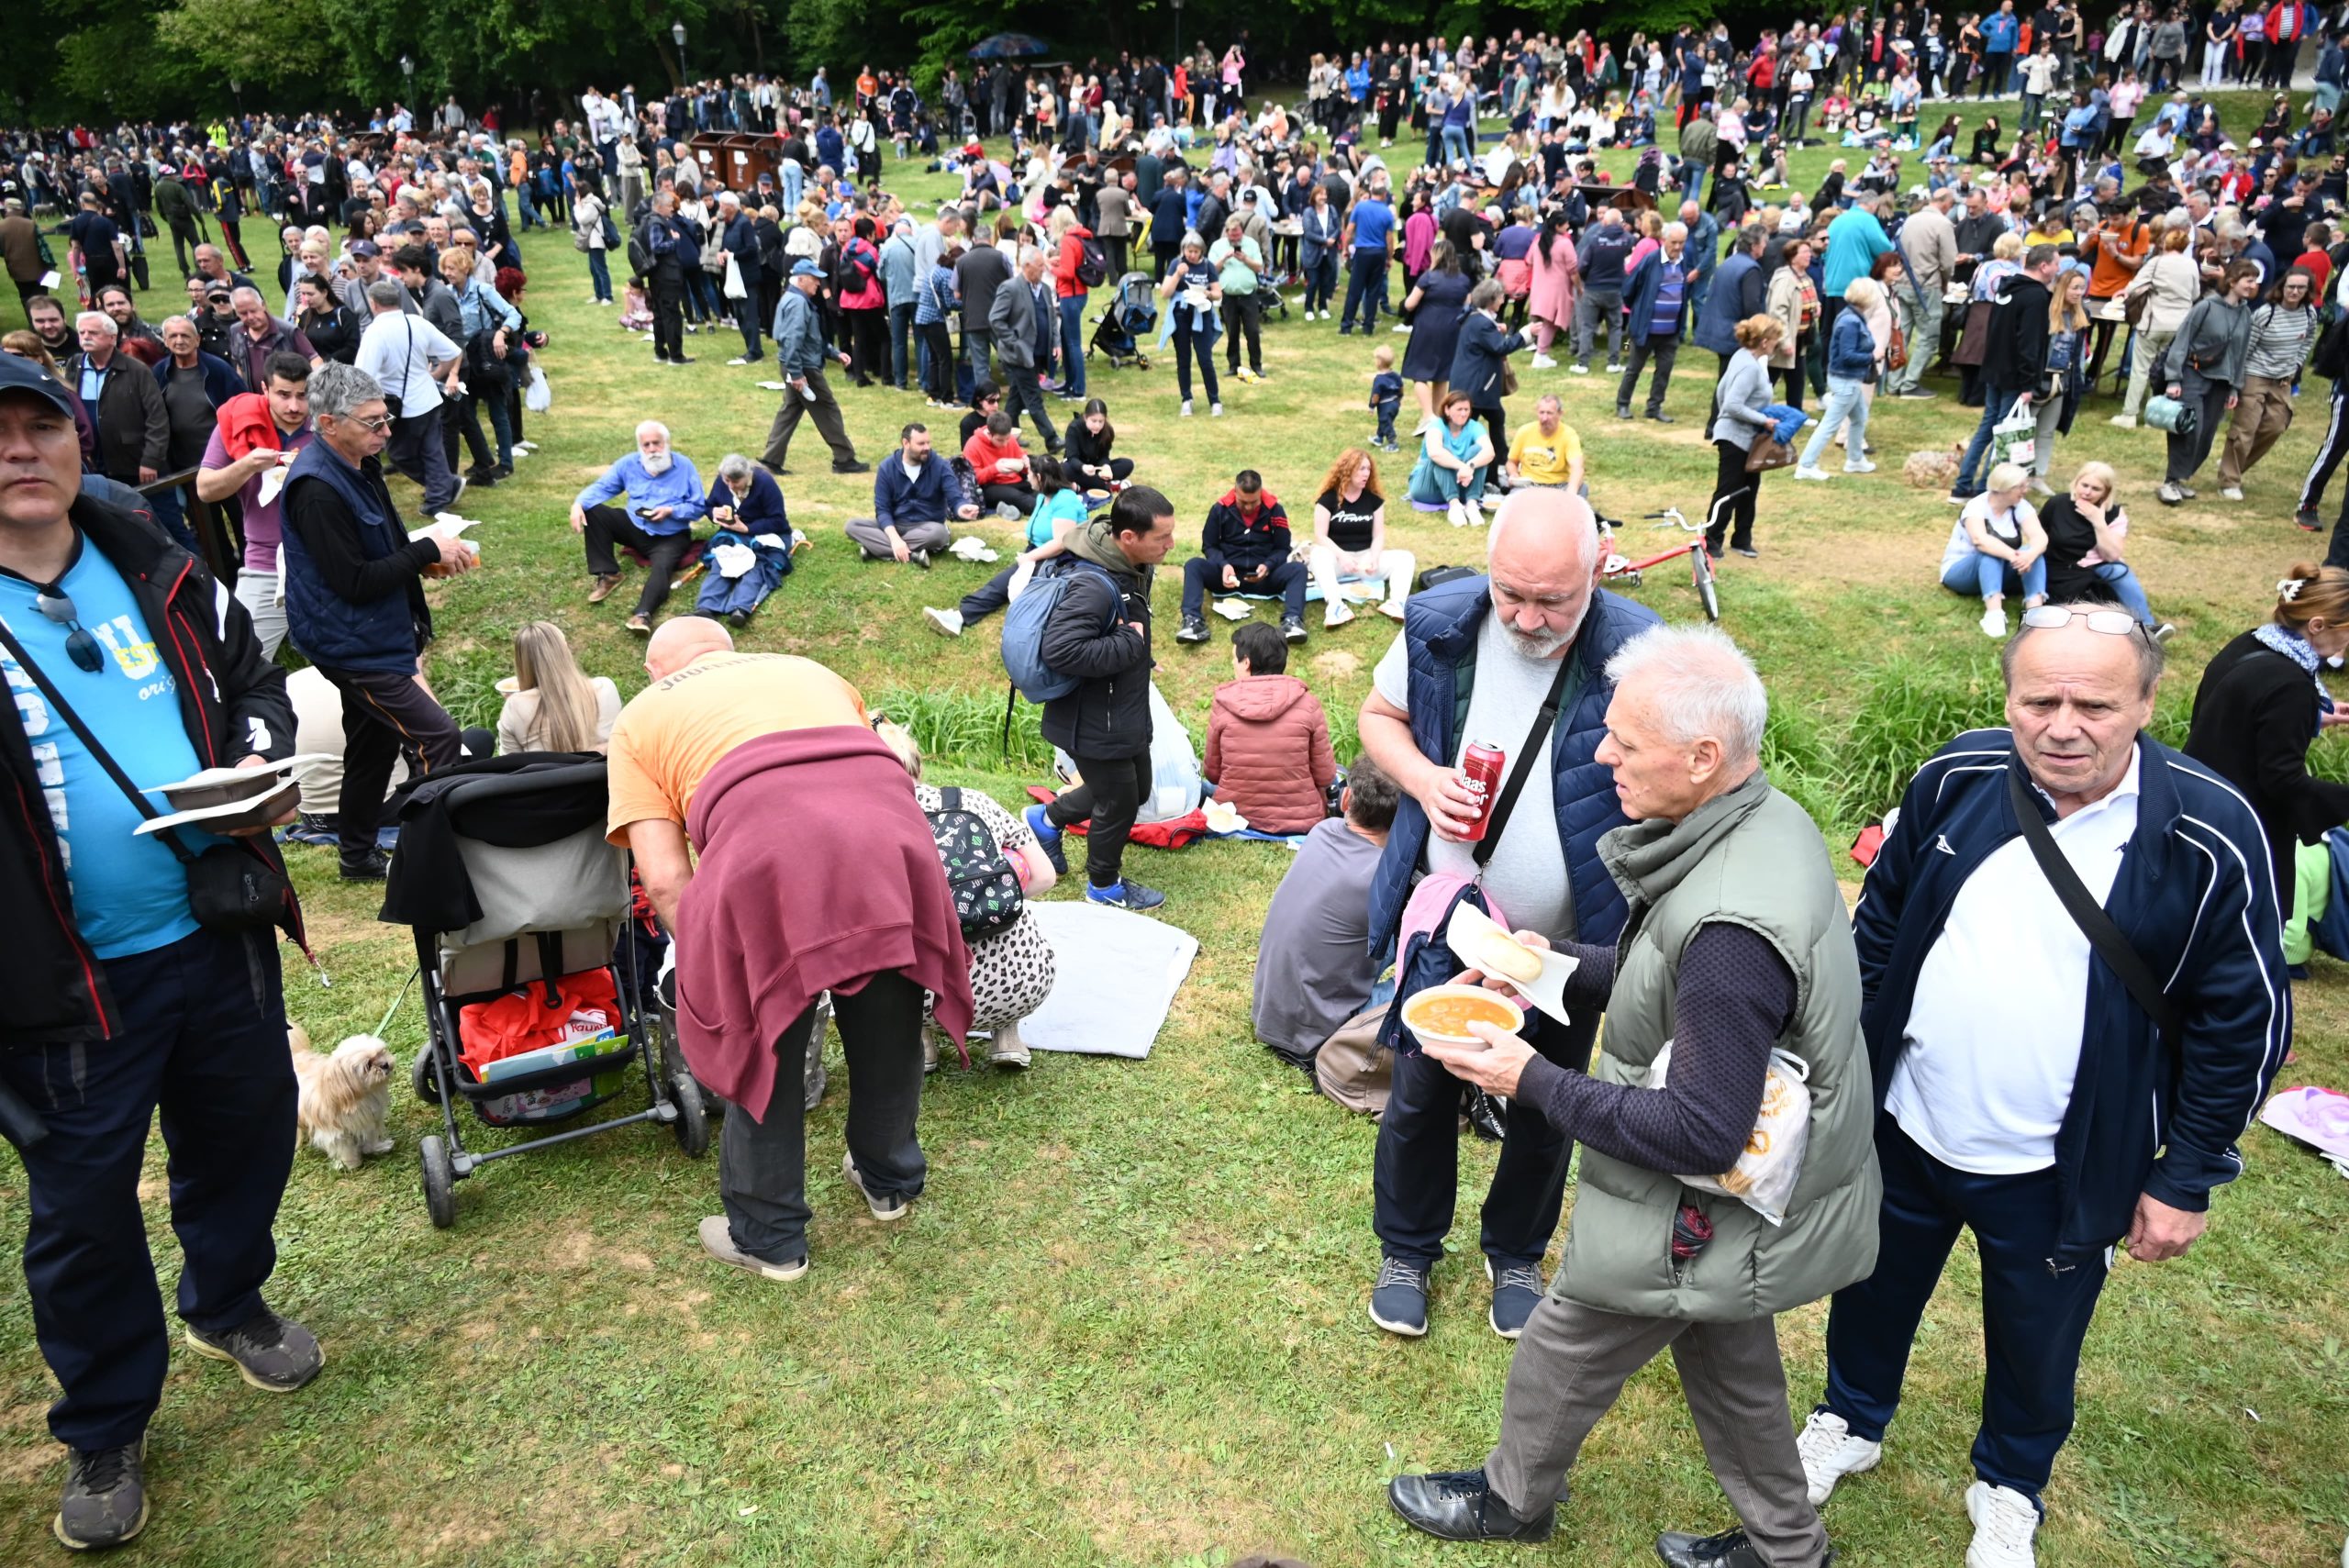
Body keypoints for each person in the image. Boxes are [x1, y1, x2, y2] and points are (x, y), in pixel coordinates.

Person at [1801, 606, 2288, 1568]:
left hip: (2058, 1162)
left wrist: (2185, 1174)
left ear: (2147, 702)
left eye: (2094, 703)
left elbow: (2244, 1020)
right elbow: (1885, 915)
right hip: (1906, 1121)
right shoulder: (1959, 776)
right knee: (1869, 1282)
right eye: (2040, 698)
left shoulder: (2208, 830)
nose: (2062, 724)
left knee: (2036, 1333)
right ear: (2010, 697)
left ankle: (2010, 1484)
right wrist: (1851, 1070)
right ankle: (1849, 1418)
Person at [1387, 624, 1879, 1568]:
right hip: (1764, 1188)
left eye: (1623, 741)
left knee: (1563, 1340)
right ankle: (1790, 1550)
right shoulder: (1761, 820)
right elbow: (1667, 964)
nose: (1601, 752)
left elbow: (1699, 1129)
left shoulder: (1734, 924)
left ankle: (1511, 1499)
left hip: (1705, 1194)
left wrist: (1523, 1075)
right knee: (1727, 1357)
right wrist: (1542, 964)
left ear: (1703, 756)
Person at [0, 352, 317, 1555]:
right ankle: (104, 1420)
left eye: (42, 427)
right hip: (61, 984)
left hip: (215, 930)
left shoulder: (159, 562)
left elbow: (254, 686)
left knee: (244, 1135)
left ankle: (226, 1300)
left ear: (77, 443)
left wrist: (259, 750)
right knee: (83, 1213)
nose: (22, 452)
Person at [1355, 489, 1663, 1340]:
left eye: (1552, 601)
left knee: (1547, 1099)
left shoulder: (1641, 651)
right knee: (1420, 1089)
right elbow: (1379, 717)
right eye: (1510, 594)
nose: (1526, 619)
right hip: (1455, 918)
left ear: (1597, 568)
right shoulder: (1442, 623)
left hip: (1570, 944)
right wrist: (1422, 780)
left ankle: (1517, 1249)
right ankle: (1408, 1247)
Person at [607, 620, 972, 1283]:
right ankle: (890, 1181)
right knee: (889, 1015)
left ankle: (769, 1238)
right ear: (732, 653)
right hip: (889, 841)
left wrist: (713, 967)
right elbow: (887, 759)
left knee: (763, 1040)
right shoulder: (810, 669)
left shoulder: (641, 716)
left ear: (657, 672)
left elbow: (661, 877)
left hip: (767, 854)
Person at [278, 361, 473, 881]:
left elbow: (379, 548)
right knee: (438, 739)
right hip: (350, 645)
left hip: (372, 632)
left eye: (386, 419)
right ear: (328, 424)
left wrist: (419, 560)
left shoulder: (357, 464)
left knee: (373, 746)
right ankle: (433, 861)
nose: (386, 432)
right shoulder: (316, 488)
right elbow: (353, 581)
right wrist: (425, 549)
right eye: (373, 423)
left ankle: (358, 855)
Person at [1019, 487, 1179, 912]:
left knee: (1137, 788)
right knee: (1119, 801)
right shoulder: (1093, 583)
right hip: (1092, 720)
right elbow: (1062, 650)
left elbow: (1114, 629)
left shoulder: (1128, 565)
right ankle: (1104, 887)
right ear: (1128, 536)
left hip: (1120, 710)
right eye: (1162, 537)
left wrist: (1140, 653)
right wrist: (1131, 646)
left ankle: (1046, 820)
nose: (1171, 545)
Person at [873, 721, 1058, 1072]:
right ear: (915, 760)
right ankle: (1006, 1035)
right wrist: (991, 904)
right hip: (1023, 980)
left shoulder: (870, 825)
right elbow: (1045, 876)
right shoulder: (972, 801)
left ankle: (921, 1040)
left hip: (927, 996)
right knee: (1014, 912)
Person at [2183, 565, 2349, 899]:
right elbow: (2283, 782)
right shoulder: (2292, 686)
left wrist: (2311, 717)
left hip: (2195, 805)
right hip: (2242, 836)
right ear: (2317, 626)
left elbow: (2237, 708)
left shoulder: (2250, 642)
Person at [1252, 755, 1399, 1069]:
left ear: (1346, 798)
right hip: (1322, 1035)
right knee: (1428, 975)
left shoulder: (1323, 830)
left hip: (1269, 1015)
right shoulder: (1383, 878)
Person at [194, 351, 316, 661]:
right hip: (266, 562)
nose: (294, 406)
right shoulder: (237, 423)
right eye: (284, 395)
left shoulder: (326, 423)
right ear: (265, 389)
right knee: (239, 660)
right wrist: (247, 464)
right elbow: (205, 489)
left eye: (302, 396)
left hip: (325, 558)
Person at [921, 454, 1085, 637]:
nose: (1026, 478)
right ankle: (960, 615)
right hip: (1038, 552)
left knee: (1003, 583)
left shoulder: (1065, 501)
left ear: (1039, 477)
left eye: (1029, 474)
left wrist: (1029, 557)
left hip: (1058, 560)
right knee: (1008, 581)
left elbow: (1060, 543)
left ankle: (959, 617)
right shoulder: (1043, 497)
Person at [571, 419, 709, 635]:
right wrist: (579, 503)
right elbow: (603, 487)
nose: (652, 449)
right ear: (640, 447)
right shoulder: (629, 464)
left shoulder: (684, 466)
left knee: (662, 568)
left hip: (670, 535)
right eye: (647, 445)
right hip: (636, 527)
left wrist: (671, 511)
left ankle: (643, 614)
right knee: (593, 511)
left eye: (657, 443)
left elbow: (699, 506)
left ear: (667, 443)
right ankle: (609, 574)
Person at [1204, 620, 1339, 834]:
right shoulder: (1308, 704)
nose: (1233, 663)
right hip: (1301, 820)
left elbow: (1212, 774)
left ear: (1246, 662)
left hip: (1234, 815)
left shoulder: (1222, 704)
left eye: (1233, 658)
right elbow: (1325, 775)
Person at [1952, 243, 2059, 502]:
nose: (2058, 269)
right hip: (2013, 375)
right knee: (2003, 432)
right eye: (2056, 263)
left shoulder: (2007, 288)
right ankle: (1982, 488)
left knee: (1987, 427)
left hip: (1994, 368)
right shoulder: (2035, 297)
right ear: (2044, 266)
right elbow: (2029, 342)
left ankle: (1963, 484)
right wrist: (2028, 383)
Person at [352, 277, 464, 516]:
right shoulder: (416, 322)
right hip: (428, 398)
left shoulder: (376, 332)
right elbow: (453, 351)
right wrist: (435, 373)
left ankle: (442, 490)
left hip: (403, 406)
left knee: (399, 455)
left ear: (373, 303)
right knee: (432, 450)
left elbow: (363, 375)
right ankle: (442, 491)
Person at [2158, 259, 2260, 505]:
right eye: (2249, 280)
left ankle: (2181, 478)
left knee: (2206, 435)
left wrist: (2235, 385)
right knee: (2190, 429)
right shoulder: (2205, 307)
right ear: (2233, 281)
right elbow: (2182, 340)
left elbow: (2241, 352)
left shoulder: (2246, 314)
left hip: (2221, 383)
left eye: (2255, 280)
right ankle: (2170, 481)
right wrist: (2174, 378)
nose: (2253, 285)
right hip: (2193, 374)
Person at [2216, 265, 2321, 502]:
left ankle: (2233, 464)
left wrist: (2296, 366)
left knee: (2276, 426)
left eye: (2300, 288)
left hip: (2282, 379)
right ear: (2282, 287)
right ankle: (2229, 480)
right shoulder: (2266, 313)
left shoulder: (2309, 314)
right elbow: (2246, 348)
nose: (2294, 292)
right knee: (2245, 429)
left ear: (2307, 290)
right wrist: (2237, 382)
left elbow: (2307, 341)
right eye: (2290, 286)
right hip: (2255, 375)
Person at [1174, 469, 1308, 647]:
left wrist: (1268, 565)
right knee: (1194, 565)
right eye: (1243, 502)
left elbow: (1283, 548)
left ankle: (1292, 622)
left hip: (1264, 579)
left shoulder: (1275, 510)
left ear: (1261, 493)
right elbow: (1209, 546)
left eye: (1254, 502)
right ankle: (1192, 622)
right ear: (1235, 492)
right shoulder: (1219, 509)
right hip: (1227, 577)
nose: (1248, 507)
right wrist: (1223, 565)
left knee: (1298, 569)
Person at [2038, 462, 2166, 635]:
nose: (2087, 492)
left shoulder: (2114, 513)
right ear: (2076, 483)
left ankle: (2147, 627)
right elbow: (2037, 536)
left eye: (2096, 489)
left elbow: (2112, 554)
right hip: (2059, 567)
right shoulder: (2057, 504)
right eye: (2084, 485)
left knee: (2121, 572)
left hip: (2095, 566)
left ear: (2106, 492)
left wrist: (2098, 523)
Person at [1309, 446, 1416, 629]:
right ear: (1347, 470)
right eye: (1361, 469)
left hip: (1365, 561)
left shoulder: (1373, 500)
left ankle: (1397, 603)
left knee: (1406, 558)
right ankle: (1336, 606)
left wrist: (1374, 558)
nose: (1366, 474)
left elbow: (1379, 534)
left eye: (1368, 469)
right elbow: (1320, 536)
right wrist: (1342, 556)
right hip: (1337, 560)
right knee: (1317, 554)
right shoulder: (1327, 499)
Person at [1706, 315, 1786, 560]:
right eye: (1775, 339)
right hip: (1734, 439)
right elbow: (1731, 404)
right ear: (1764, 342)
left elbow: (1722, 391)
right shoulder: (1749, 367)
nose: (1777, 344)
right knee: (1729, 491)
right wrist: (1764, 420)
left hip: (1746, 439)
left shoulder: (1741, 357)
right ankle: (1710, 541)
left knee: (1749, 489)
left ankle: (1742, 539)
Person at [1940, 463, 2047, 638]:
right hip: (1960, 572)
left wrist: (2030, 555)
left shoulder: (2021, 506)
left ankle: (2034, 615)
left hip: (2002, 568)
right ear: (2005, 488)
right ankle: (1993, 614)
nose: (2025, 490)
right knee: (1990, 552)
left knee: (2033, 553)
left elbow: (2040, 537)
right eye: (2021, 486)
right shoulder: (1976, 506)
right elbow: (1980, 540)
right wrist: (2013, 556)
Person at [1795, 275, 1886, 480]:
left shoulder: (1851, 316)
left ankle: (1855, 460)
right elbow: (1847, 355)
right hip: (1846, 381)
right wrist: (1872, 356)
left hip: (1848, 380)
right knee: (1830, 424)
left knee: (1859, 418)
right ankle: (1806, 465)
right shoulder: (1851, 322)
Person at [65, 312, 167, 492]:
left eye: (93, 333)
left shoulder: (136, 370)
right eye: (82, 333)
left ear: (112, 338)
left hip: (134, 463)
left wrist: (151, 460)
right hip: (95, 463)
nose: (86, 337)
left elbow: (157, 418)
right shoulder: (75, 365)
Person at [853, 421, 980, 565]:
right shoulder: (887, 468)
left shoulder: (940, 465)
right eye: (921, 444)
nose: (927, 447)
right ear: (906, 443)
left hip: (927, 526)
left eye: (928, 442)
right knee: (853, 526)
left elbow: (955, 496)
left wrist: (961, 508)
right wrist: (895, 539)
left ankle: (875, 548)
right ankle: (913, 554)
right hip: (896, 524)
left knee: (939, 534)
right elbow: (882, 509)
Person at [2112, 226, 2202, 428]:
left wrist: (2126, 291)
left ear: (2165, 243)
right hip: (2179, 325)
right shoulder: (2191, 265)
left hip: (2154, 322)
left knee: (2141, 370)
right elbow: (2195, 294)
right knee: (2164, 370)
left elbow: (2135, 285)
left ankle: (2129, 414)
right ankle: (2155, 416)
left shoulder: (2157, 262)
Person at [696, 453, 797, 627]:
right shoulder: (723, 482)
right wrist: (714, 513)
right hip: (736, 534)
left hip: (768, 534)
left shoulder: (765, 483)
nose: (730, 486)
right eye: (727, 481)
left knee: (758, 564)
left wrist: (747, 528)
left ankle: (740, 608)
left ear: (747, 476)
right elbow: (709, 505)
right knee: (723, 559)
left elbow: (778, 520)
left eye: (735, 482)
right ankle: (707, 607)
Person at [495, 620, 622, 754]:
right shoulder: (605, 687)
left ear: (522, 664)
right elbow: (619, 746)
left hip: (545, 775)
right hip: (603, 773)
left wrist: (514, 708)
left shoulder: (515, 706)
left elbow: (510, 765)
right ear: (565, 650)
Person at [1451, 278, 1528, 493]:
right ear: (1492, 299)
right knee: (1487, 429)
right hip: (1478, 389)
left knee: (1482, 427)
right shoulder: (1482, 323)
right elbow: (1501, 347)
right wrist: (1527, 334)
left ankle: (1491, 473)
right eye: (1501, 297)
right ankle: (1492, 473)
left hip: (1469, 386)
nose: (1504, 301)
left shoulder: (1474, 318)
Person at [1617, 219, 1695, 422]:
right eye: (1673, 242)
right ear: (1664, 240)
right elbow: (1628, 289)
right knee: (1634, 368)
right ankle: (1623, 404)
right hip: (1646, 329)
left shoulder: (1684, 261)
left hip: (1670, 331)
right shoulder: (1651, 260)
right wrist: (1640, 311)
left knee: (1664, 371)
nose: (1677, 247)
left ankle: (1654, 407)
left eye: (1681, 242)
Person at [989, 246, 1061, 451]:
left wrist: (1055, 343)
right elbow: (995, 319)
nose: (1043, 270)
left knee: (1016, 397)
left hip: (1037, 355)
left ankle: (1004, 434)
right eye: (1040, 266)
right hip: (1017, 355)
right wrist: (1013, 341)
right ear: (1027, 266)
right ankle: (1051, 438)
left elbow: (1052, 320)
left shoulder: (1045, 290)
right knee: (1032, 396)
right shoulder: (1010, 288)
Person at [1158, 231, 1225, 417]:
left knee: (1205, 359)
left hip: (1201, 313)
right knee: (1183, 358)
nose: (1192, 255)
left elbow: (1218, 292)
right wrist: (1178, 275)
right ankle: (1186, 399)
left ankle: (1215, 400)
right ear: (1183, 250)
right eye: (1189, 251)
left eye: (1196, 252)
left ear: (1202, 251)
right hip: (1181, 313)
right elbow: (1165, 293)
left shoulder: (1207, 266)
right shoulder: (1176, 264)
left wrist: (1208, 294)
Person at [1409, 389, 1498, 528]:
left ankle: (1472, 504)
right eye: (1459, 409)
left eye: (1466, 409)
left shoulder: (1474, 427)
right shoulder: (1436, 426)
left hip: (1460, 483)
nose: (1464, 414)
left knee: (1478, 451)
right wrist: (1463, 466)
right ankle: (1454, 505)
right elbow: (1435, 453)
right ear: (1447, 410)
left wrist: (1470, 465)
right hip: (1428, 487)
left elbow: (1490, 452)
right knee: (1442, 452)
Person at [1505, 395, 1586, 497]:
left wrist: (1571, 493)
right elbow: (1511, 462)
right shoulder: (1524, 431)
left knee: (1582, 489)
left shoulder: (1569, 435)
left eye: (1550, 413)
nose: (1544, 418)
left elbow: (1577, 468)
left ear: (1560, 414)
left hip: (1559, 485)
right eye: (1541, 412)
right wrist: (1514, 474)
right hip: (1529, 485)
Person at [964, 408, 1038, 517]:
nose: (1005, 444)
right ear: (989, 434)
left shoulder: (1010, 440)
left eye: (1007, 439)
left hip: (1015, 481)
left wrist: (1026, 463)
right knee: (1017, 497)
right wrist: (995, 469)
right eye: (1000, 440)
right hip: (990, 487)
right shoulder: (973, 445)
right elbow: (973, 478)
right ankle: (1044, 511)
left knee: (1041, 490)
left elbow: (1022, 463)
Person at [1066, 398, 1131, 494]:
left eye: (1101, 421)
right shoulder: (1074, 428)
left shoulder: (1107, 430)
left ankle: (1085, 485)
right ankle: (1107, 485)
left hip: (1096, 469)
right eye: (1094, 421)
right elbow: (1072, 457)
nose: (1097, 425)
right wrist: (1083, 467)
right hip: (1078, 468)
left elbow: (1104, 456)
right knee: (1065, 469)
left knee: (1127, 464)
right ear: (1085, 417)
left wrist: (1106, 467)